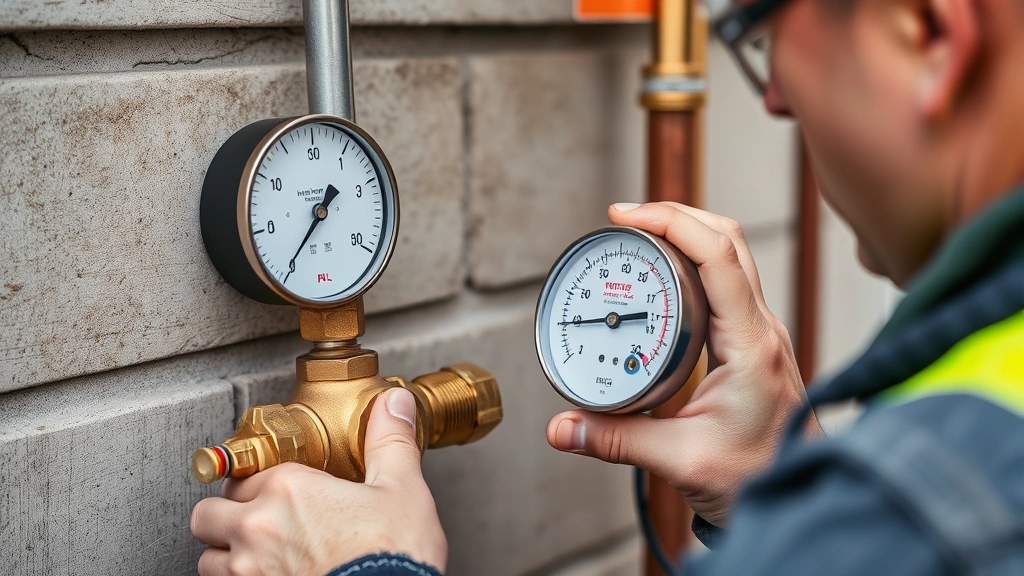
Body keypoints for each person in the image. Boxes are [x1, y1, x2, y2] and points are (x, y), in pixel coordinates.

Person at [189, 0, 1024, 573]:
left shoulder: (934, 494)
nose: (770, 98)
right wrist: (789, 482)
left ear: (927, 30)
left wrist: (370, 571)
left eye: (759, 32)